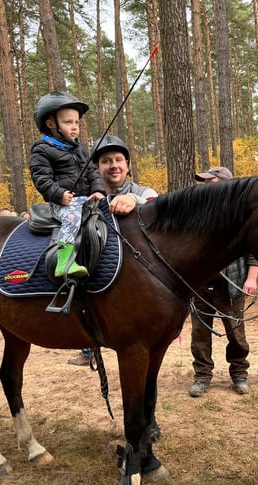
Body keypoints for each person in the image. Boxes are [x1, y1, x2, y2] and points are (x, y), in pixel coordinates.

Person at [66, 135, 158, 367]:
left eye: (119, 160)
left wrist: (132, 198)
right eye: (106, 161)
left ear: (127, 166)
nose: (114, 165)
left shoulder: (140, 190)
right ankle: (88, 348)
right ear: (97, 168)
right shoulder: (84, 193)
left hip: (134, 275)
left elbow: (157, 202)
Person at [188, 166, 258, 397]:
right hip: (200, 286)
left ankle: (240, 375)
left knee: (236, 333)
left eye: (210, 181)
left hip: (232, 286)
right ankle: (202, 376)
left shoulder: (241, 215)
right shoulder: (196, 214)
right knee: (200, 333)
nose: (205, 186)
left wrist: (251, 278)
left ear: (224, 184)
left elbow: (254, 250)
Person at [29, 91, 106, 280]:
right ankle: (64, 262)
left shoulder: (80, 149)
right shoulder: (42, 150)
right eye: (68, 122)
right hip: (61, 204)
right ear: (51, 124)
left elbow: (92, 172)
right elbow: (41, 179)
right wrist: (59, 194)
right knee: (72, 217)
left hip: (85, 200)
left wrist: (97, 190)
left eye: (76, 123)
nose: (74, 127)